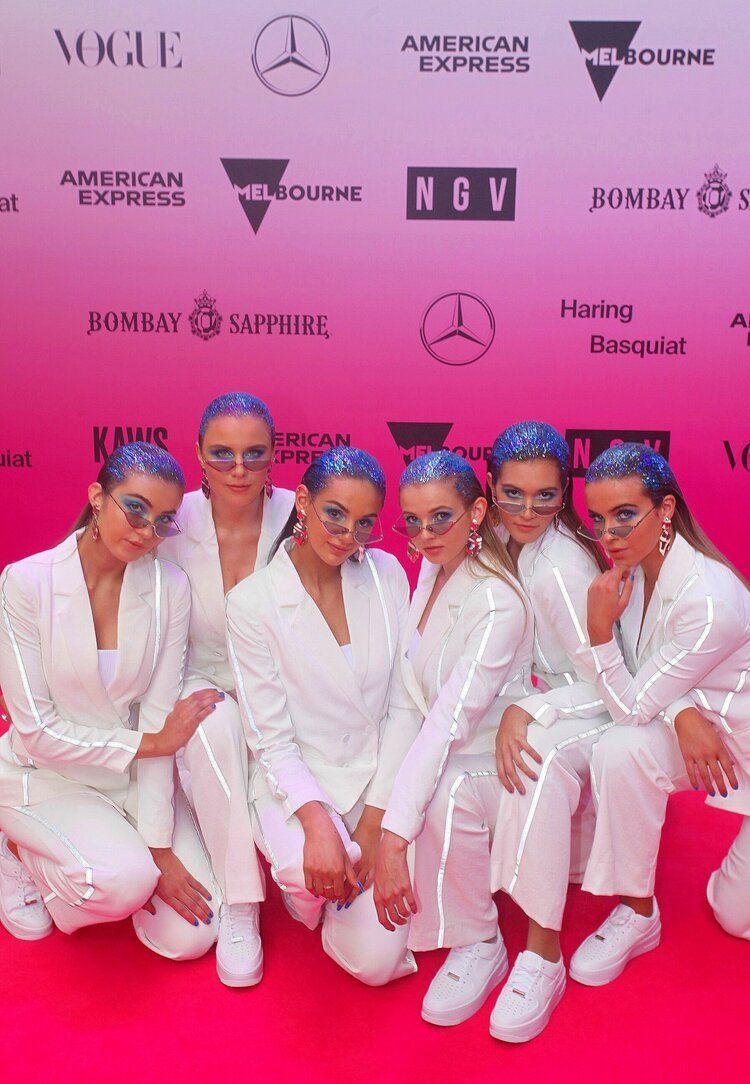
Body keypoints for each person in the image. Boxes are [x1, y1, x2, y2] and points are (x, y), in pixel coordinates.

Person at [0, 443, 221, 957]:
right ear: (98, 497)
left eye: (163, 519)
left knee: (193, 934)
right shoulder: (25, 583)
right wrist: (150, 744)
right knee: (121, 882)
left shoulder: (171, 589)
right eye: (135, 507)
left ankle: (113, 864)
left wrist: (159, 848)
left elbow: (162, 718)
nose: (146, 531)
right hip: (45, 775)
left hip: (128, 776)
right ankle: (15, 852)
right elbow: (36, 731)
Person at [225, 447, 417, 986]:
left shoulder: (386, 574)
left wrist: (378, 824)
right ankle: (307, 896)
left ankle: (343, 901)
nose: (346, 535)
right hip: (304, 783)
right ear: (304, 502)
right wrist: (317, 823)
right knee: (302, 869)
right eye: (334, 513)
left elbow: (405, 705)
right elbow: (271, 738)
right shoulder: (252, 604)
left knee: (375, 966)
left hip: (379, 780)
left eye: (363, 523)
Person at [565, 443, 750, 983]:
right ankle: (638, 911)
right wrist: (683, 713)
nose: (609, 534)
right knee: (622, 751)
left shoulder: (709, 598)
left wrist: (598, 631)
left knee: (735, 916)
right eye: (598, 519)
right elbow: (646, 679)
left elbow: (628, 699)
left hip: (740, 737)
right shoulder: (637, 571)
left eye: (625, 514)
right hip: (712, 732)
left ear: (665, 509)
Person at [374, 450, 533, 1027]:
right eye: (411, 521)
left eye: (440, 517)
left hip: (500, 762)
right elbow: (408, 699)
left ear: (478, 512)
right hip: (443, 750)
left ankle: (480, 943)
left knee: (446, 792)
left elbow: (448, 723)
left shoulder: (496, 602)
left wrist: (393, 837)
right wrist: (381, 810)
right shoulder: (430, 568)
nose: (423, 534)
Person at [158, 392, 293, 986]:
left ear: (273, 455)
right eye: (222, 454)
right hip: (198, 678)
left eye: (253, 454)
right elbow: (91, 560)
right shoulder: (171, 516)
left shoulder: (304, 513)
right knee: (213, 724)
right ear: (198, 455)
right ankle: (241, 902)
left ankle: (289, 865)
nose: (238, 469)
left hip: (284, 685)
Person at [483, 421, 612, 1042]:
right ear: (492, 488)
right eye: (513, 493)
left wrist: (530, 712)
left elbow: (611, 682)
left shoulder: (558, 568)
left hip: (600, 710)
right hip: (540, 694)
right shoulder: (494, 538)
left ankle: (543, 955)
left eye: (544, 496)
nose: (527, 509)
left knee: (531, 761)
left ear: (564, 492)